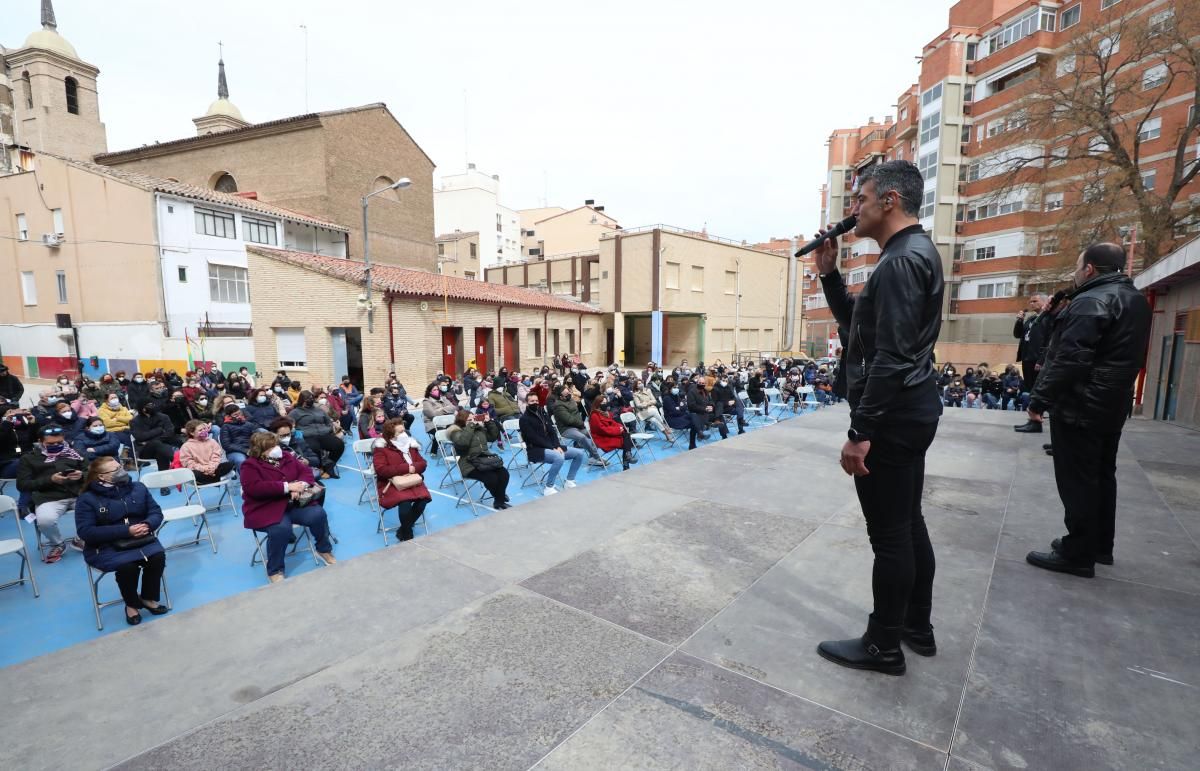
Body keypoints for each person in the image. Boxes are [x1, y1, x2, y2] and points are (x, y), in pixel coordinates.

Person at [812, 160, 944, 676]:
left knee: (890, 534)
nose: (854, 211)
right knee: (908, 524)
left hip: (892, 417)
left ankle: (883, 645)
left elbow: (889, 357)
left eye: (860, 200)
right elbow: (861, 330)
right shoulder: (911, 254)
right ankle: (916, 626)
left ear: (889, 200)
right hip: (910, 411)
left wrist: (860, 432)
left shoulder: (899, 262)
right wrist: (829, 275)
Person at [1024, 243, 1151, 578]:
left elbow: (1069, 359)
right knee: (1102, 476)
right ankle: (1098, 546)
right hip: (1111, 404)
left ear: (1090, 269)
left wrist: (1039, 400)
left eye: (1078, 266)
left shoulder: (1090, 301)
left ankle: (1077, 552)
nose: (1074, 272)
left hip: (1082, 405)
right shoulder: (1135, 299)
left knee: (1077, 480)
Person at [73, 456, 169, 625]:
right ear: (101, 477)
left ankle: (147, 598)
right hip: (106, 545)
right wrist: (126, 531)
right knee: (127, 566)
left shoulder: (138, 487)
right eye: (116, 470)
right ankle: (131, 604)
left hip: (141, 537)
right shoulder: (87, 499)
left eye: (121, 466)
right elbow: (86, 532)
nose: (122, 471)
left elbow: (155, 512)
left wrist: (147, 524)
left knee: (157, 557)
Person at [239, 432, 335, 582]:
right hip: (266, 507)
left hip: (293, 504)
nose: (277, 448)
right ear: (260, 450)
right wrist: (287, 487)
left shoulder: (286, 456)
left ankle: (324, 550)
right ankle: (275, 569)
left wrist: (301, 486)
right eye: (271, 446)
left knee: (318, 514)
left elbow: (306, 472)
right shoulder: (249, 465)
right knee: (281, 529)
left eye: (276, 444)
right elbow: (254, 488)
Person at [17, 426, 88, 562]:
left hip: (78, 494)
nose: (56, 446)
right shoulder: (29, 459)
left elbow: (91, 473)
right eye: (51, 444)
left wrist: (82, 475)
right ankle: (58, 543)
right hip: (48, 497)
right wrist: (50, 480)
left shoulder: (75, 453)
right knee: (45, 521)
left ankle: (80, 539)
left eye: (59, 443)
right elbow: (23, 485)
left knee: (99, 510)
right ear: (40, 441)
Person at [372, 418, 432, 541]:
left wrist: (412, 468)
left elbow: (423, 463)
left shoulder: (410, 445)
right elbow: (381, 470)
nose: (404, 434)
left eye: (404, 431)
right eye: (400, 432)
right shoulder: (382, 449)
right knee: (405, 504)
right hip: (391, 483)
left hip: (413, 480)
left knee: (423, 501)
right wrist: (406, 468)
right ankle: (407, 532)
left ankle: (404, 528)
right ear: (391, 436)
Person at [520, 392, 585, 496]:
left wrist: (557, 446)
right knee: (559, 457)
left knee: (579, 453)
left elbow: (552, 432)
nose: (535, 403)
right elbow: (533, 438)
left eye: (536, 401)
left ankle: (569, 480)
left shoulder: (543, 413)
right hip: (536, 450)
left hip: (552, 446)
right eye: (532, 401)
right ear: (527, 403)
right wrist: (552, 447)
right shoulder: (524, 419)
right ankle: (549, 487)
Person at [449, 410, 511, 509]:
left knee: (504, 474)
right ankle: (500, 498)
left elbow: (492, 437)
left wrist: (488, 422)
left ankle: (499, 499)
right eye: (469, 420)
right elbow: (462, 443)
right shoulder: (455, 432)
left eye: (473, 419)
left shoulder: (478, 429)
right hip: (469, 464)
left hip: (485, 460)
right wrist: (471, 426)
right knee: (491, 478)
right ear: (461, 421)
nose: (472, 421)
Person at [130, 403, 183, 493]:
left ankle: (164, 485)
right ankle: (176, 460)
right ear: (141, 408)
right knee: (156, 444)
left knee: (160, 452)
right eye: (148, 405)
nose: (151, 406)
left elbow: (170, 432)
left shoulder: (163, 417)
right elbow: (140, 437)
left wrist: (150, 438)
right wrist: (159, 430)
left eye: (152, 404)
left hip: (162, 447)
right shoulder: (135, 421)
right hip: (145, 450)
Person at [550, 386, 607, 466]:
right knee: (582, 437)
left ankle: (592, 458)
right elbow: (568, 420)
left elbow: (577, 414)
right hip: (566, 429)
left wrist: (580, 424)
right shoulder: (558, 405)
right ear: (560, 396)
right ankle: (597, 456)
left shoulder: (571, 400)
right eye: (566, 394)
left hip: (577, 426)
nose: (569, 395)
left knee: (593, 434)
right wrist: (581, 424)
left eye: (568, 393)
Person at [179, 419, 234, 485]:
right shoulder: (186, 446)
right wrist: (204, 469)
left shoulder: (212, 441)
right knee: (194, 473)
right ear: (192, 433)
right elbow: (188, 463)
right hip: (200, 471)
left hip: (213, 468)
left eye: (204, 429)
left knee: (230, 464)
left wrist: (212, 467)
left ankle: (210, 479)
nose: (204, 431)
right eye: (200, 430)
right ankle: (217, 478)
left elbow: (216, 456)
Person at [588, 395, 636, 470]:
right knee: (626, 441)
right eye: (603, 403)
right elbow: (601, 430)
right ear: (598, 404)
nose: (605, 404)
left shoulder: (606, 413)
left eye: (606, 402)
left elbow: (613, 423)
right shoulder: (594, 415)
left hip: (610, 435)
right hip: (602, 438)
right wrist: (618, 430)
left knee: (626, 436)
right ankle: (627, 462)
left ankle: (627, 457)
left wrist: (620, 427)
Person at [686, 377, 727, 449]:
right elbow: (692, 406)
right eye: (700, 383)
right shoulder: (691, 392)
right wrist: (704, 409)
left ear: (705, 384)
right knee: (695, 421)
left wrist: (711, 406)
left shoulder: (706, 391)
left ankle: (724, 436)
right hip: (697, 413)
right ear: (697, 383)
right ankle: (694, 441)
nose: (701, 384)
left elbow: (711, 401)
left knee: (720, 414)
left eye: (703, 383)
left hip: (707, 412)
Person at [421, 384, 459, 454]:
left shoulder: (443, 398)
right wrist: (446, 409)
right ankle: (434, 451)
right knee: (441, 432)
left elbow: (454, 408)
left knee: (456, 429)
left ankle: (455, 451)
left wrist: (440, 409)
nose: (437, 391)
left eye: (437, 389)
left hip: (446, 422)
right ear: (429, 392)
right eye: (434, 390)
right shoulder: (426, 402)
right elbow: (432, 414)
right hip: (432, 424)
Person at [218, 403, 256, 471]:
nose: (239, 416)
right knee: (241, 460)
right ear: (228, 416)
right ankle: (245, 480)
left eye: (240, 413)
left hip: (250, 449)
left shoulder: (248, 424)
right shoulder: (225, 427)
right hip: (234, 452)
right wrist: (245, 450)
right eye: (235, 415)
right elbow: (227, 445)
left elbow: (256, 438)